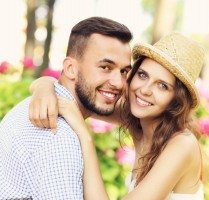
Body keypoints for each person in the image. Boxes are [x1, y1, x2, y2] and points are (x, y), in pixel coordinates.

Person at [29, 33, 208, 199]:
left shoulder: (182, 144)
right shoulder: (136, 118)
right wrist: (44, 87)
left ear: (176, 100)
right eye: (142, 75)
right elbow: (78, 94)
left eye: (162, 86)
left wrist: (84, 136)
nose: (144, 90)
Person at [0, 16, 132, 199]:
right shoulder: (57, 133)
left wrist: (43, 84)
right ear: (70, 68)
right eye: (105, 67)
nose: (119, 83)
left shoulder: (40, 105)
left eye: (124, 71)